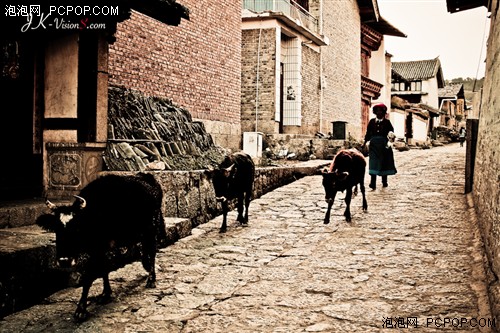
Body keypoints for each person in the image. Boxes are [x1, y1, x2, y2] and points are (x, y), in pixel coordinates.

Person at [362, 103, 397, 190]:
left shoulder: (387, 123)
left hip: (384, 145)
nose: (379, 113)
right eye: (377, 111)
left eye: (381, 111)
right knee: (373, 162)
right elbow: (368, 134)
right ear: (375, 112)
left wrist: (389, 142)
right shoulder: (371, 122)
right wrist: (364, 143)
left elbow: (391, 134)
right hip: (373, 145)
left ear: (384, 113)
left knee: (383, 163)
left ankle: (384, 181)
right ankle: (372, 183)